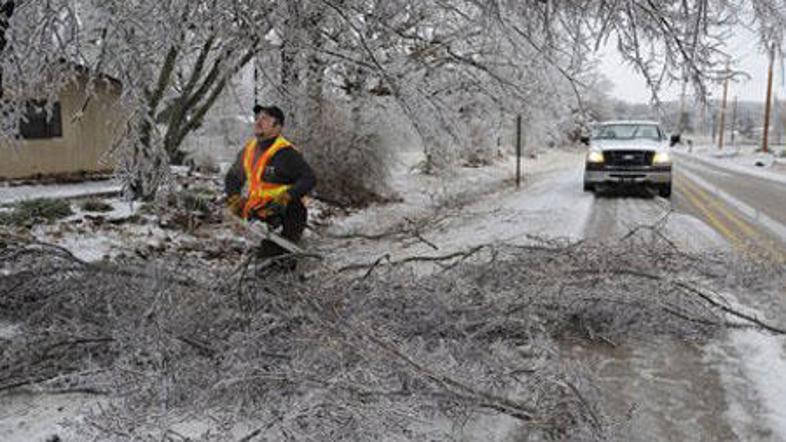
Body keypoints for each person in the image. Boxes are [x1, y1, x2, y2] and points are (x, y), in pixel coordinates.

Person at [224, 105, 316, 261]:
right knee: (256, 259)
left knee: (276, 262)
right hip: (259, 213)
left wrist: (286, 197)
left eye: (265, 119)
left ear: (277, 127)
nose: (258, 122)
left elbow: (309, 178)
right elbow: (233, 177)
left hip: (287, 214)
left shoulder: (286, 153)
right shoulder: (249, 150)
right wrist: (234, 198)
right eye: (258, 118)